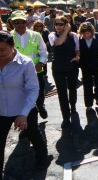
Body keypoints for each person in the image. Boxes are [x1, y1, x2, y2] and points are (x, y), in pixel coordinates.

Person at [0, 31, 49, 175]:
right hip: (2, 111)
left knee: (34, 135)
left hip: (24, 109)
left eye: (2, 50)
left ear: (12, 47)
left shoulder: (25, 63)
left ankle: (42, 161)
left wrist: (23, 114)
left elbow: (33, 89)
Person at [10, 11, 49, 120]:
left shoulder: (36, 35)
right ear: (12, 23)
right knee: (22, 97)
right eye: (16, 22)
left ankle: (40, 105)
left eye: (22, 21)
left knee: (39, 92)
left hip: (35, 70)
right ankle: (27, 125)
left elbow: (43, 51)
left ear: (26, 22)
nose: (20, 24)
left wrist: (41, 63)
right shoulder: (8, 36)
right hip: (17, 72)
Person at [48, 16, 80, 128]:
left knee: (72, 88)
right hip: (58, 68)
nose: (59, 26)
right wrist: (66, 31)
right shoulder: (52, 35)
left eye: (61, 24)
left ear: (66, 24)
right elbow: (58, 43)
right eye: (57, 24)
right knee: (62, 94)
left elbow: (77, 49)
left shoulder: (74, 36)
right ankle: (66, 117)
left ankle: (73, 105)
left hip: (71, 66)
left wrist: (77, 56)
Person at [78, 22, 98, 110]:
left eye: (88, 33)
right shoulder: (79, 38)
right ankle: (88, 104)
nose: (86, 35)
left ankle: (97, 97)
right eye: (84, 33)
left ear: (91, 32)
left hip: (97, 63)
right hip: (85, 65)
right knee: (87, 84)